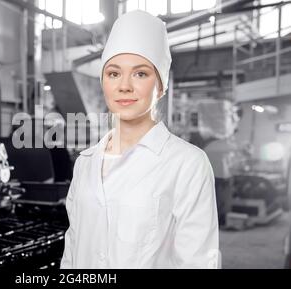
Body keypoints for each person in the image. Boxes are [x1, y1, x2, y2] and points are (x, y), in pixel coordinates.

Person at [60, 10, 219, 269]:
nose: (124, 85)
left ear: (161, 86)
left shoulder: (188, 164)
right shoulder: (85, 164)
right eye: (113, 73)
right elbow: (72, 249)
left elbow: (198, 262)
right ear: (103, 82)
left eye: (140, 74)